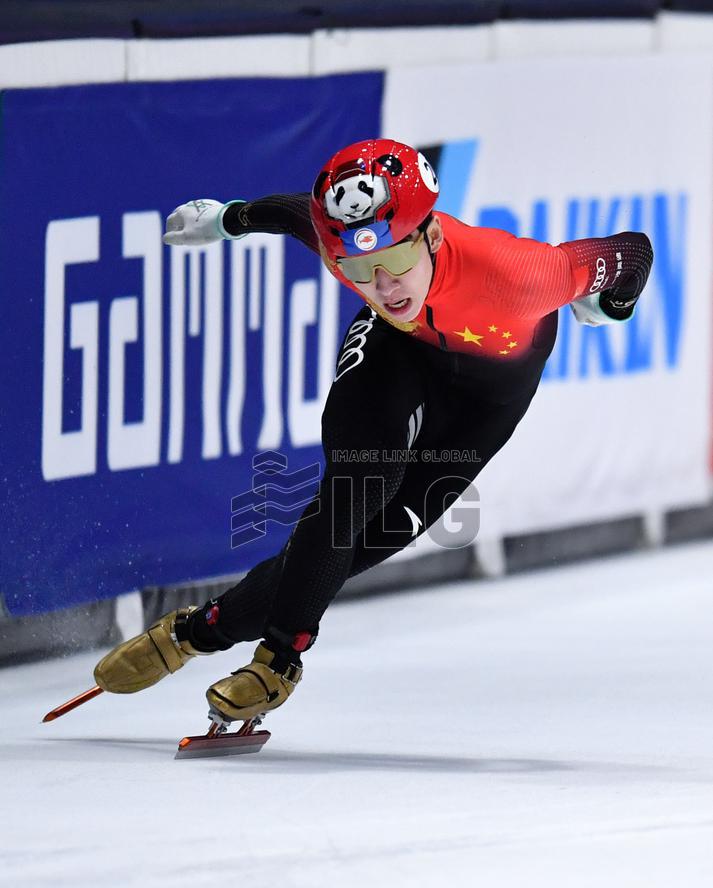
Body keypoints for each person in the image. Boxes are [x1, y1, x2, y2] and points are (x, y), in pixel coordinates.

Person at [94, 138, 653, 725]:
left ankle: (195, 632)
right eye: (361, 271)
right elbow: (292, 213)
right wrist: (228, 222)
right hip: (399, 349)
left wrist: (613, 303)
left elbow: (633, 252)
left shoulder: (526, 274)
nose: (384, 286)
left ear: (431, 235)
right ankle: (278, 661)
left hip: (487, 395)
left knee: (374, 536)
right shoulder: (346, 251)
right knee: (356, 489)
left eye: (396, 263)